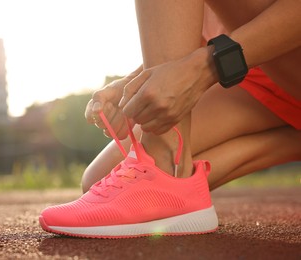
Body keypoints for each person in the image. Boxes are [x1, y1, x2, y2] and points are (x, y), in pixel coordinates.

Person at [39, 0, 301, 238]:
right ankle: (293, 140)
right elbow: (195, 33)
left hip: (271, 60)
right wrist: (136, 84)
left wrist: (207, 66)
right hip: (255, 71)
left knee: (146, 180)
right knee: (98, 179)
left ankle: (162, 161)